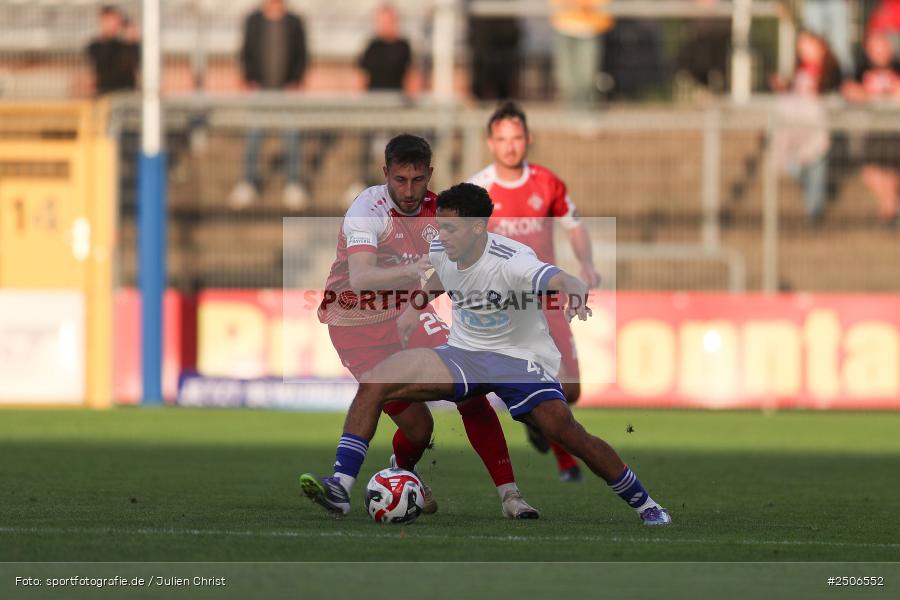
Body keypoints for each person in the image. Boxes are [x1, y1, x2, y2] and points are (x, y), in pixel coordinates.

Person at [301, 183, 672, 526]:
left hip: (519, 361)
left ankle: (645, 503)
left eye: (450, 228)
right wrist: (416, 305)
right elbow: (441, 278)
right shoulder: (443, 248)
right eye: (439, 226)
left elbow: (557, 277)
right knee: (377, 381)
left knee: (566, 431)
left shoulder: (512, 258)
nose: (439, 235)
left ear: (478, 227)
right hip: (466, 354)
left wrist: (575, 289)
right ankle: (340, 485)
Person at [307, 134, 539, 519]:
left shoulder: (441, 213)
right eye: (400, 180)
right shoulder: (368, 209)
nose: (410, 190)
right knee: (418, 428)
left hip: (408, 312)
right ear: (386, 174)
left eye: (418, 180)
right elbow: (362, 277)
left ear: (430, 173)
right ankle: (393, 475)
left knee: (470, 391)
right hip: (354, 323)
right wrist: (411, 271)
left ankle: (511, 496)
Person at [469, 101, 600, 482]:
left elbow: (574, 227)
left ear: (529, 139)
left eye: (516, 138)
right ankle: (564, 461)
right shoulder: (479, 189)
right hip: (504, 302)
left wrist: (586, 263)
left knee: (570, 389)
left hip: (547, 296)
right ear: (491, 143)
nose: (510, 146)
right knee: (537, 383)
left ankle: (533, 420)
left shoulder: (547, 183)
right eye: (502, 139)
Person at [229, 0, 309, 210]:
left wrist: (296, 80)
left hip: (287, 91)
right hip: (260, 91)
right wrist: (249, 79)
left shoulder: (294, 21)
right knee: (254, 136)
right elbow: (245, 52)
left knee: (291, 137)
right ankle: (248, 183)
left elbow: (302, 53)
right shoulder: (253, 20)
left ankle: (293, 184)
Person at [346, 4, 414, 203]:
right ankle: (361, 182)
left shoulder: (404, 45)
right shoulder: (372, 45)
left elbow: (411, 74)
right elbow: (361, 74)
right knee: (365, 146)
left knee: (397, 148)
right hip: (373, 105)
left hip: (396, 105)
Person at [770, 31, 841, 223]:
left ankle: (814, 211)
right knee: (795, 167)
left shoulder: (830, 70)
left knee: (817, 169)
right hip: (797, 128)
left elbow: (833, 90)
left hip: (817, 128)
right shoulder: (797, 71)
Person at [843, 31, 900, 225]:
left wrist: (872, 96)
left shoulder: (897, 66)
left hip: (895, 129)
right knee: (871, 172)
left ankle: (890, 214)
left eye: (883, 46)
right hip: (874, 130)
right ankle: (891, 212)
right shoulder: (861, 69)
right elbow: (850, 90)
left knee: (892, 175)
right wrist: (880, 96)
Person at [548, 0, 613, 107]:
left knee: (587, 78)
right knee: (565, 78)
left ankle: (587, 110)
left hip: (591, 26)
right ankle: (571, 111)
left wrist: (586, 5)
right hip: (563, 24)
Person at [467, 0, 522, 100]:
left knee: (505, 70)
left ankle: (504, 103)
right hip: (483, 23)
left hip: (505, 23)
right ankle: (480, 99)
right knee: (482, 66)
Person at [85, 5, 140, 96]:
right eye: (108, 20)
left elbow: (135, 62)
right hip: (104, 93)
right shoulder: (95, 46)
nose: (112, 24)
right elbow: (103, 61)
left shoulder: (126, 45)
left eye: (114, 20)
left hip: (127, 92)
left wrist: (132, 41)